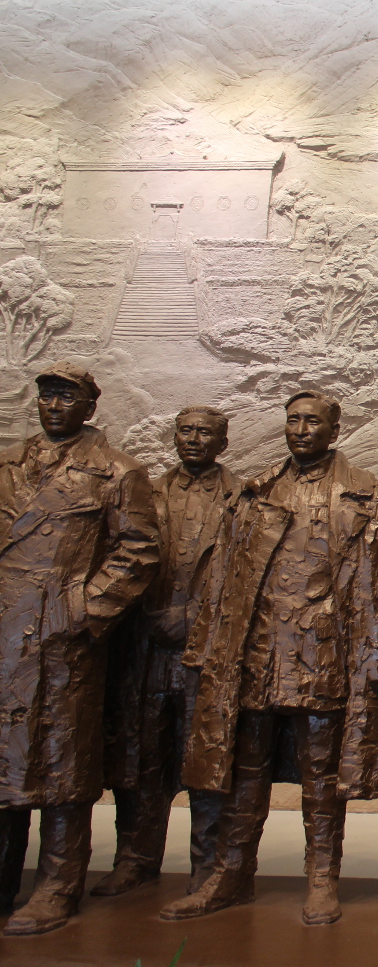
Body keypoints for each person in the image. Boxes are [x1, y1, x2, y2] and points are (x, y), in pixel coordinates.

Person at [161, 390, 378, 926]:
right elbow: (222, 577)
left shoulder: (369, 497)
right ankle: (233, 873)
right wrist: (208, 649)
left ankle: (321, 877)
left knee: (321, 771)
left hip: (324, 654)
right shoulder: (255, 492)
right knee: (245, 767)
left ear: (334, 428)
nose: (300, 430)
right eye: (292, 420)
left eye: (312, 421)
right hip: (258, 650)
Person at [0, 361, 160, 935]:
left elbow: (138, 553)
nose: (54, 405)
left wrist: (81, 611)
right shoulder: (8, 463)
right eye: (47, 395)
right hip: (2, 636)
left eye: (66, 396)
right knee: (3, 761)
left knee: (62, 762)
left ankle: (57, 885)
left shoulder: (118, 472)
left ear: (90, 406)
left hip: (61, 642)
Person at [95, 407, 240, 899]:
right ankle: (135, 858)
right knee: (141, 757)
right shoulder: (145, 493)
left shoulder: (243, 499)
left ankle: (207, 866)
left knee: (206, 759)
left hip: (208, 651)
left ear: (223, 442)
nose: (193, 439)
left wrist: (198, 618)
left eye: (205, 432)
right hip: (146, 647)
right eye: (185, 430)